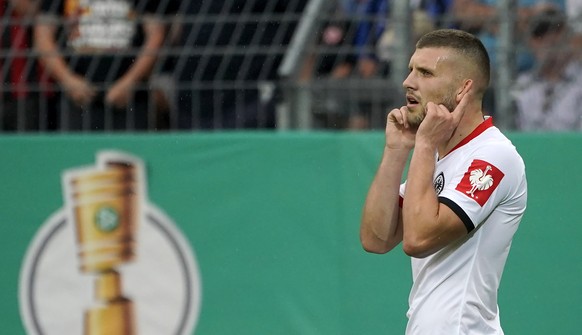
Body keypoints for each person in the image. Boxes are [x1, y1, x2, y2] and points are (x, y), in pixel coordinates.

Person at [360, 29, 527, 334]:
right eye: (411, 69)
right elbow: (376, 239)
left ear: (464, 89)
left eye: (425, 72)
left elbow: (419, 240)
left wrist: (423, 146)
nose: (408, 82)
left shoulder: (494, 156)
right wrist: (396, 151)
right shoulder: (437, 156)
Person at [34, 0, 177, 131]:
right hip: (76, 96)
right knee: (78, 156)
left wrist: (130, 81)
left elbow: (156, 35)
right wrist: (67, 79)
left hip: (132, 97)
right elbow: (42, 37)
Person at [512, 8, 582, 131]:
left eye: (557, 33)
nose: (548, 41)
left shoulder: (579, 81)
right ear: (531, 43)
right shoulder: (522, 84)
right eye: (540, 36)